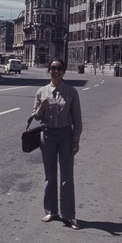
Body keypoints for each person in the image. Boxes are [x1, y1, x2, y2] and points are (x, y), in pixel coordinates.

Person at [31, 58, 83, 230]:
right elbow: (36, 117)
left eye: (59, 68)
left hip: (66, 136)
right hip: (48, 136)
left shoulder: (71, 92)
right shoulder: (42, 91)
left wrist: (76, 140)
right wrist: (42, 107)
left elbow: (77, 119)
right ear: (49, 71)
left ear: (64, 71)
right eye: (53, 68)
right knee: (50, 176)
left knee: (67, 177)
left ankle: (69, 216)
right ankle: (51, 211)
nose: (56, 71)